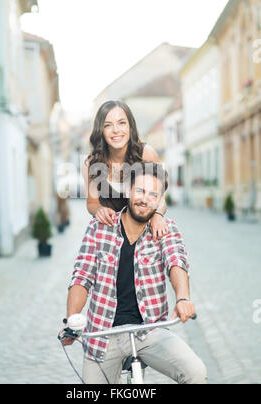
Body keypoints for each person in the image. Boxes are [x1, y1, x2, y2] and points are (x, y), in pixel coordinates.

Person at [61, 162, 207, 384]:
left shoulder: (165, 229)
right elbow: (82, 277)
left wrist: (183, 298)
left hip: (148, 331)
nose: (144, 198)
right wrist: (72, 321)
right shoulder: (99, 228)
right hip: (102, 336)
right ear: (129, 191)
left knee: (195, 372)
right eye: (139, 191)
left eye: (152, 194)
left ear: (160, 201)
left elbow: (176, 261)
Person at [82, 100, 169, 242]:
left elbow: (160, 199)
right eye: (108, 125)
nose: (116, 130)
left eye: (121, 123)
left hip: (145, 235)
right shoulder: (92, 163)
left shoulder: (146, 154)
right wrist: (99, 210)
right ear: (101, 131)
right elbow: (92, 203)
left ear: (130, 126)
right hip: (110, 238)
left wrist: (158, 215)